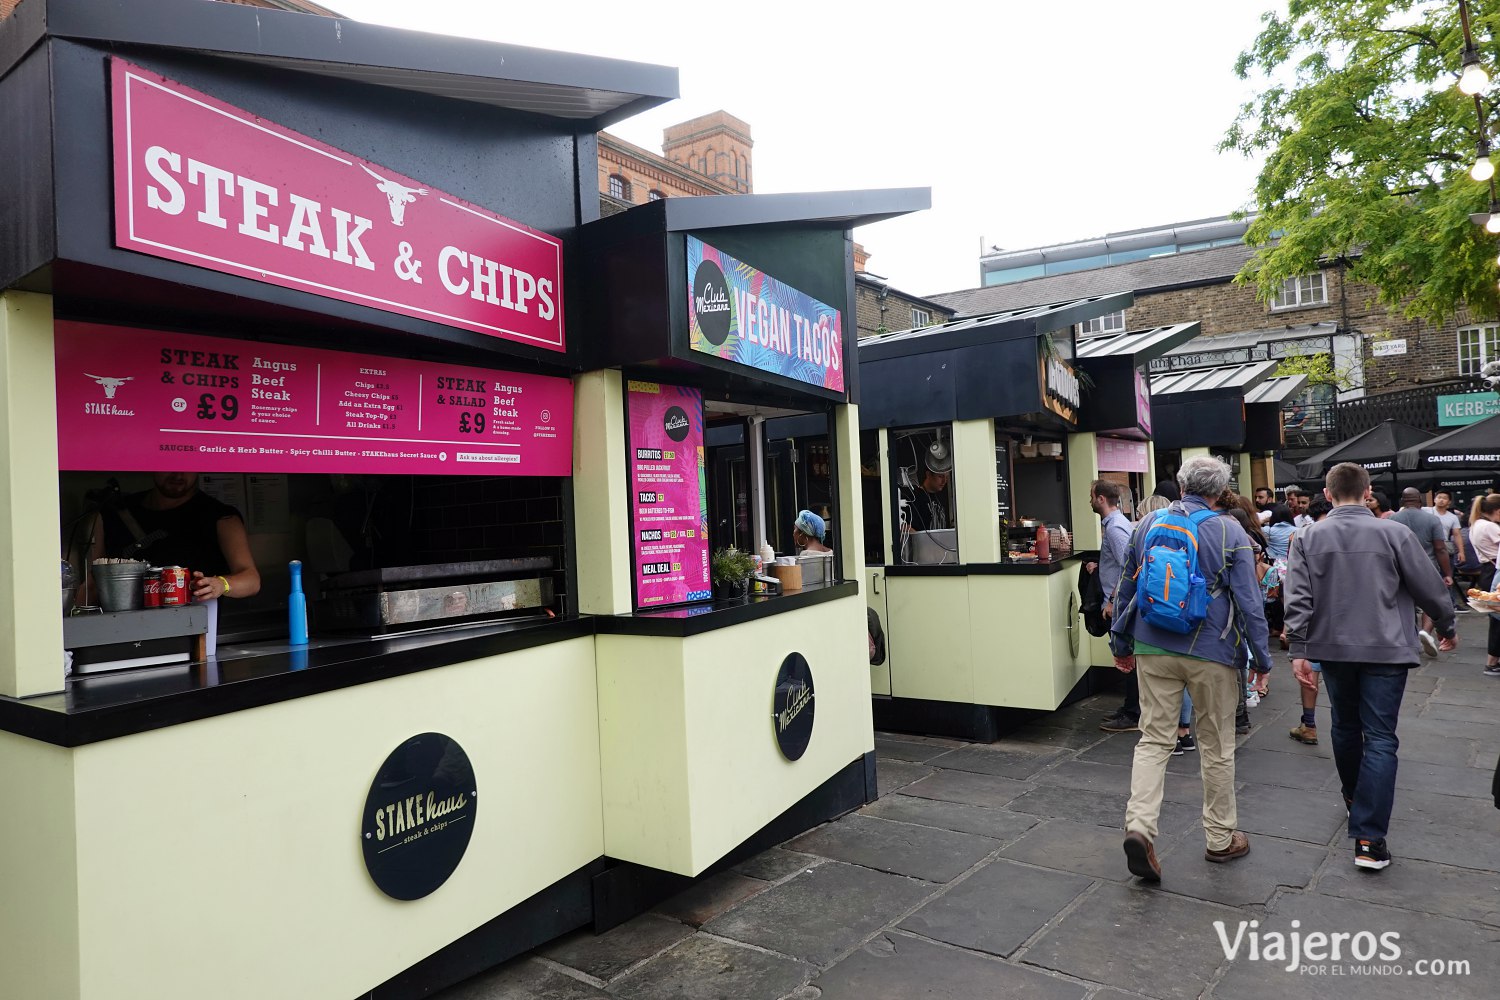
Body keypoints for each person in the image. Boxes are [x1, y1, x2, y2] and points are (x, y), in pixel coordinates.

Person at [1284, 462, 1457, 871]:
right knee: (1380, 737)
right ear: (1368, 492)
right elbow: (1428, 586)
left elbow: (1299, 599)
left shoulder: (1307, 536)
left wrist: (1300, 649)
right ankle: (1369, 838)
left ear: (1327, 494)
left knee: (1344, 725)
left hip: (1334, 648)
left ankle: (1353, 798)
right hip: (1385, 647)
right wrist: (1446, 623)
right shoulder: (1394, 532)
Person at [1111, 456, 1273, 881]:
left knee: (1153, 741)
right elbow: (1250, 602)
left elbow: (1126, 584)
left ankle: (1140, 828)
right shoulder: (1229, 529)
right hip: (1211, 651)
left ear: (1181, 485)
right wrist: (1263, 659)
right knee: (1216, 745)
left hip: (1151, 644)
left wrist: (1120, 641)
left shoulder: (1147, 524)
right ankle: (1220, 839)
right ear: (1220, 492)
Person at [91, 472, 261, 605]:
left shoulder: (221, 517)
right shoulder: (113, 513)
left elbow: (251, 580)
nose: (178, 474)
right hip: (120, 630)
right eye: (168, 463)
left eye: (187, 464)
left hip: (193, 636)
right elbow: (92, 581)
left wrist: (221, 584)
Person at [1090, 480, 1139, 733]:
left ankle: (1133, 713)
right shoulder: (1117, 524)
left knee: (1126, 657)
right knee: (1127, 656)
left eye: (1091, 496)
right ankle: (1131, 707)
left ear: (1100, 499)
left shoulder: (1115, 528)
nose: (1089, 501)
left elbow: (1128, 567)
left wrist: (1111, 602)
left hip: (1119, 604)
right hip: (1118, 601)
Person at [1288, 498, 1332, 746]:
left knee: (1309, 670)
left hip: (1312, 617)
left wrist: (1293, 633)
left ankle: (1309, 725)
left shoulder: (1302, 536)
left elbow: (1296, 587)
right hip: (1344, 619)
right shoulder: (1351, 535)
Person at [1389, 487, 1454, 647]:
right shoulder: (1432, 519)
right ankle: (1425, 631)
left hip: (1400, 568)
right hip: (1428, 566)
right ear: (1420, 501)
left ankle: (1408, 636)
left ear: (1402, 501)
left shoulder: (1392, 520)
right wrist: (1447, 573)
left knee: (1405, 602)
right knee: (1430, 600)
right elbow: (1440, 548)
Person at [1424, 490, 1467, 612]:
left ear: (1449, 502)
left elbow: (1457, 535)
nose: (1441, 500)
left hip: (1445, 549)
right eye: (1439, 497)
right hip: (1428, 548)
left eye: (1444, 498)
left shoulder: (1452, 517)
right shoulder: (1425, 511)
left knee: (1447, 576)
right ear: (1434, 499)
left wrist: (1461, 552)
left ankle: (1450, 603)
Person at [900, 439, 952, 533]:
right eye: (940, 476)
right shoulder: (915, 498)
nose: (944, 481)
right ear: (928, 475)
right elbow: (904, 526)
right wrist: (921, 542)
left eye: (946, 476)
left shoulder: (939, 498)